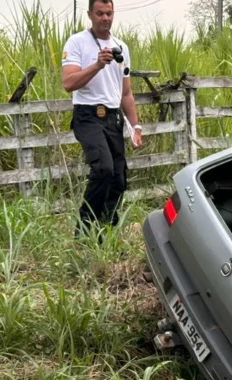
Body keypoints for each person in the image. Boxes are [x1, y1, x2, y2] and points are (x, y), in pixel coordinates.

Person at [61, 0, 142, 239]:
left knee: (118, 177)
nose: (105, 18)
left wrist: (135, 126)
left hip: (113, 117)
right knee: (103, 169)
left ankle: (105, 232)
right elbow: (68, 83)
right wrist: (97, 64)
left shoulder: (121, 47)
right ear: (90, 14)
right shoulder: (76, 42)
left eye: (109, 13)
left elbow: (126, 92)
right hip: (87, 115)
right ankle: (84, 231)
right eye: (100, 13)